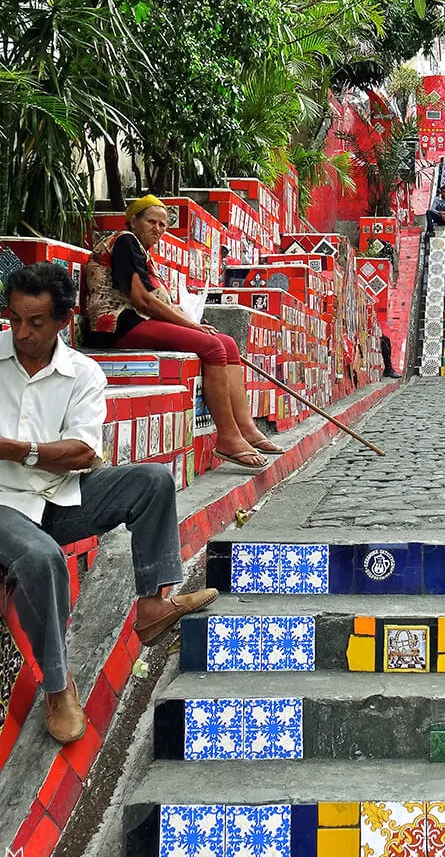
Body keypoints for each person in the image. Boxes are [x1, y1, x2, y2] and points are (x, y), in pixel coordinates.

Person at [0, 263, 218, 744]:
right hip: (3, 503)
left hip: (57, 496)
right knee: (42, 557)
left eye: (35, 322)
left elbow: (82, 454)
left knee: (153, 480)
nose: (22, 332)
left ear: (63, 321)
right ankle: (58, 687)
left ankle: (153, 605)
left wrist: (17, 450)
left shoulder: (83, 373)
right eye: (14, 319)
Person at [83, 195, 282, 469]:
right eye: (151, 221)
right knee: (212, 346)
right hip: (117, 324)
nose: (158, 229)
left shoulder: (140, 251)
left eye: (163, 224)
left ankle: (246, 428)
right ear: (133, 220)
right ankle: (227, 437)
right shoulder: (125, 241)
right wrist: (192, 326)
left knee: (228, 344)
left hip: (136, 320)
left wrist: (191, 324)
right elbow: (143, 300)